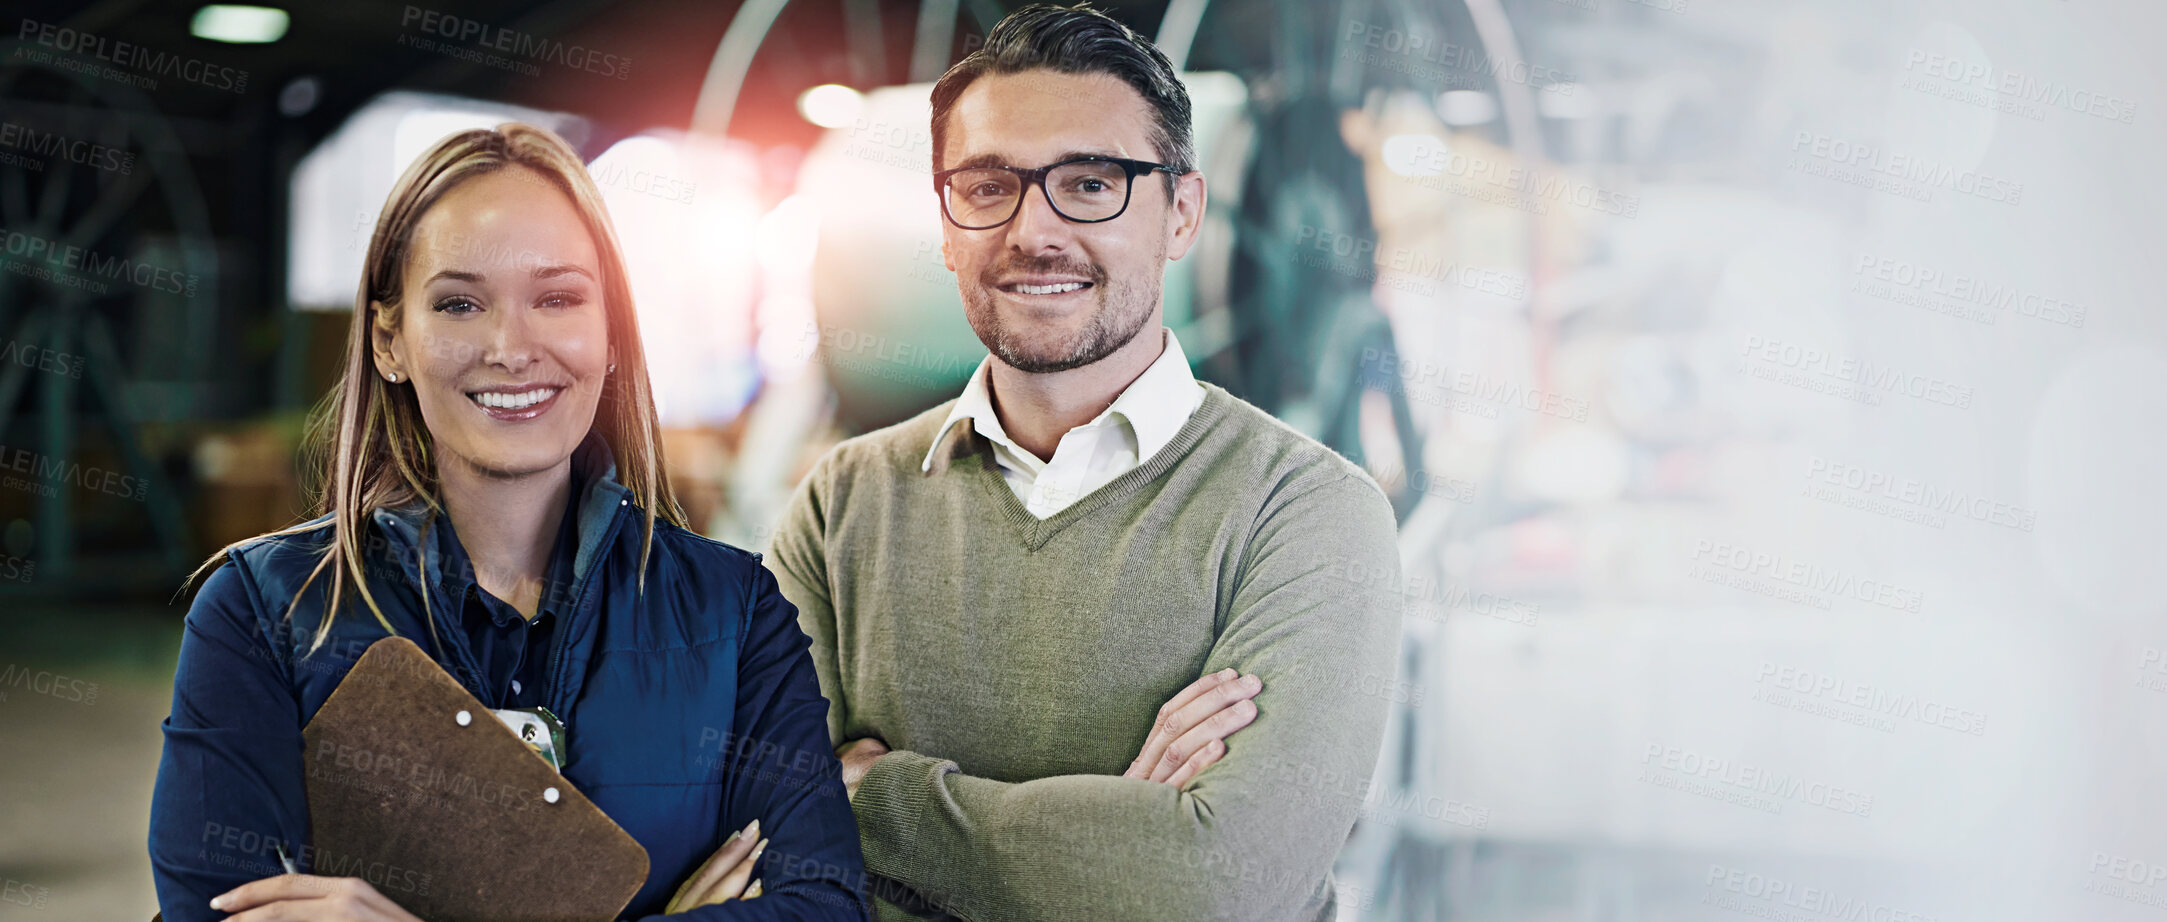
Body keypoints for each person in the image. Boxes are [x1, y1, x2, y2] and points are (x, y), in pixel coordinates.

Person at [765, 4, 1403, 920]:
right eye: (987, 188)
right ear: (944, 228)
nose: (1034, 232)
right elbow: (754, 820)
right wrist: (1121, 833)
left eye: (1092, 184)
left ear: (1181, 214)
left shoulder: (1305, 512)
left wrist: (870, 796)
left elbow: (1212, 884)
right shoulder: (842, 504)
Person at [149, 124, 869, 922]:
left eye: (556, 298)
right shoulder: (263, 612)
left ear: (612, 336)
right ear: (390, 341)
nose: (510, 347)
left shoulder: (734, 614)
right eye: (459, 303)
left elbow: (824, 906)